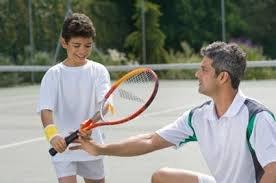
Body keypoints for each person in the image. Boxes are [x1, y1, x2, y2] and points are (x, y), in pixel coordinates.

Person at [70, 41, 276, 183]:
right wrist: (100, 149)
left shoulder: (256, 118)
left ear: (222, 78)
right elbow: (150, 140)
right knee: (163, 177)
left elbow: (273, 173)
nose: (197, 74)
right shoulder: (198, 117)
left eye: (204, 70)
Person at [37, 13, 111, 183]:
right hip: (64, 150)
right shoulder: (53, 75)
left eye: (88, 45)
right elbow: (46, 109)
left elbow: (105, 105)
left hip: (92, 145)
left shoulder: (99, 71)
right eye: (76, 45)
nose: (82, 51)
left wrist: (90, 123)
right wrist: (53, 136)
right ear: (64, 42)